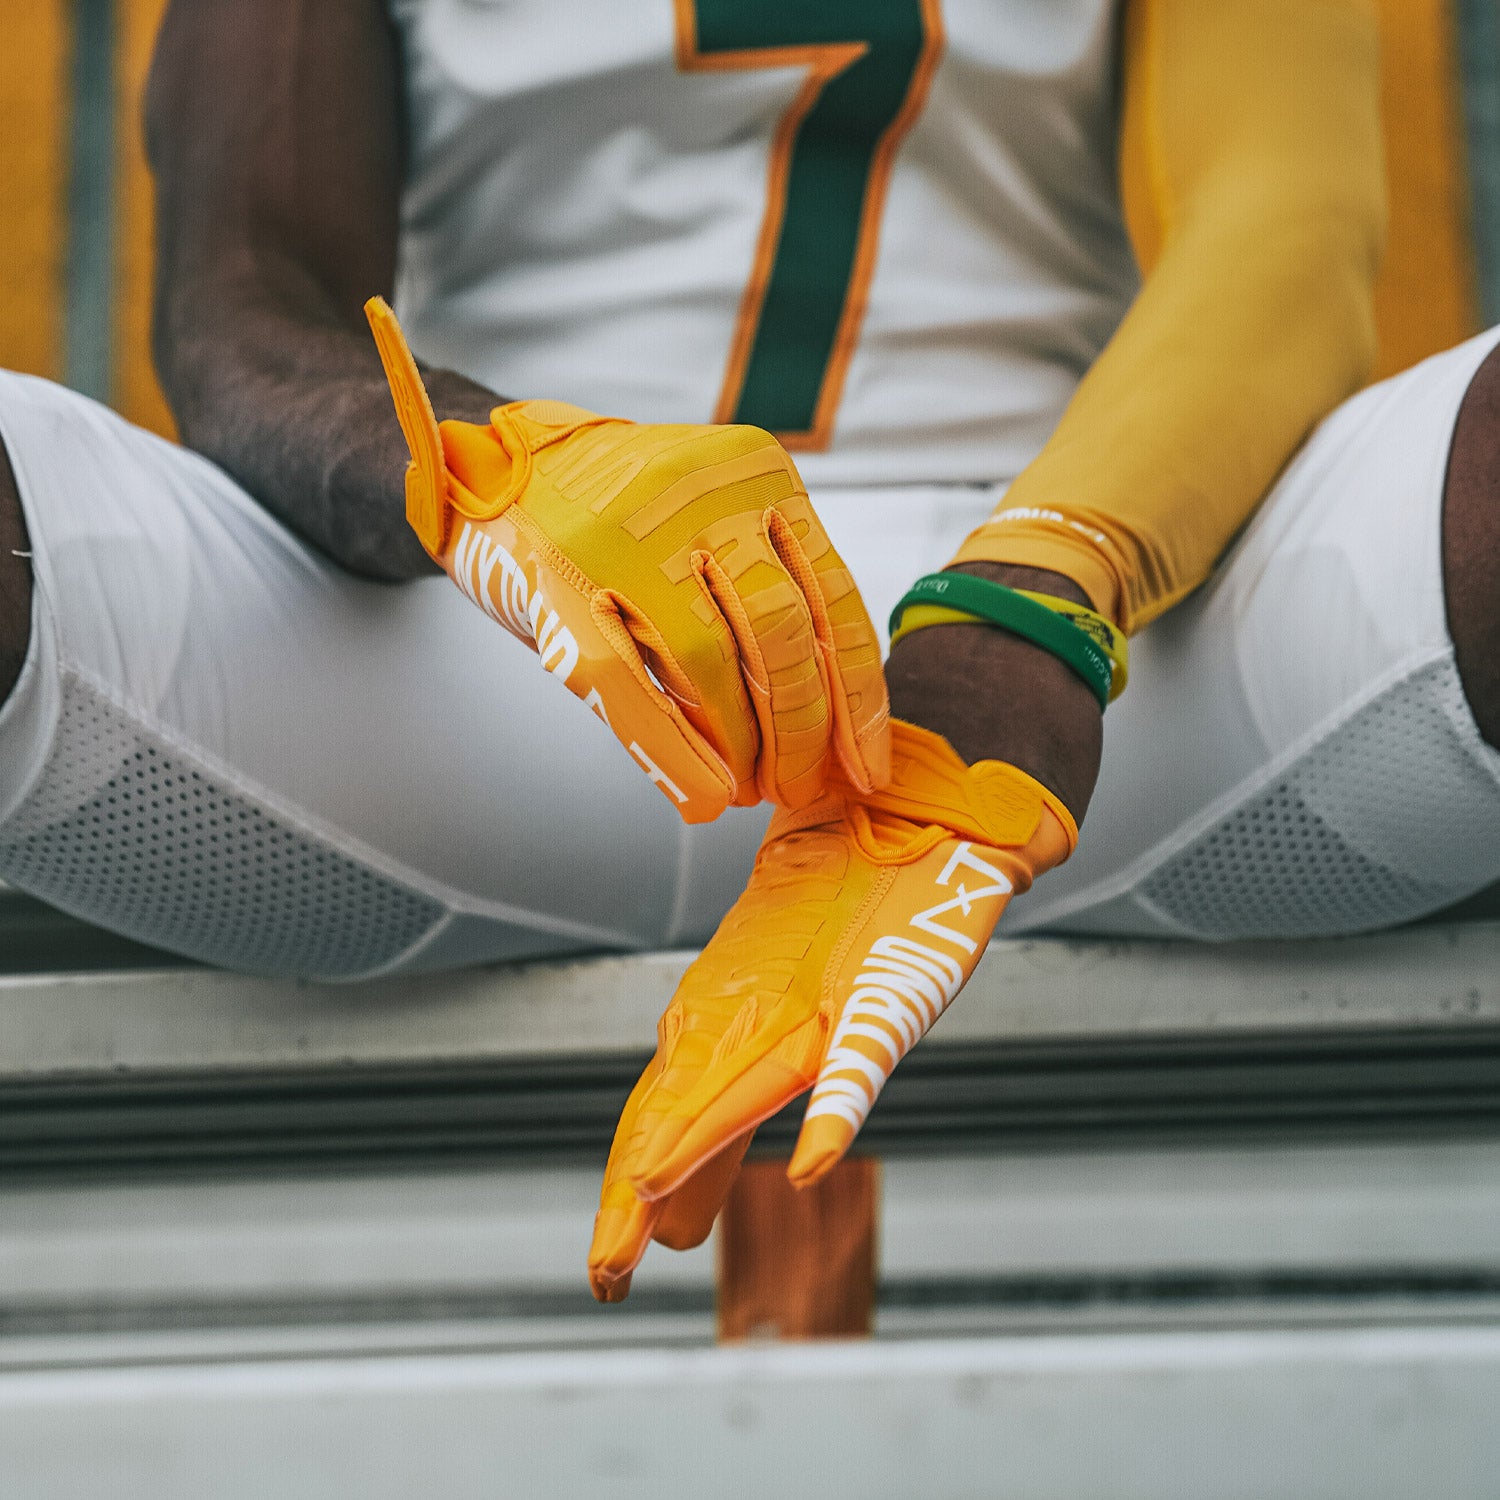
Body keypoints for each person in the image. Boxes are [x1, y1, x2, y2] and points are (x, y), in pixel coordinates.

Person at [0, 0, 1496, 1298]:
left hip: (1062, 673)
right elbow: (246, 308)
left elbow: (1284, 229)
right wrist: (488, 466)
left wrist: (1039, 593)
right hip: (514, 638)